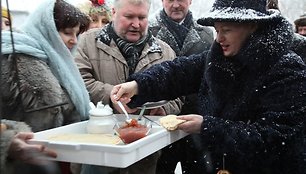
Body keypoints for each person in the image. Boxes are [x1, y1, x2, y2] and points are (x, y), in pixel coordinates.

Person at [110, 0, 306, 173]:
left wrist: (207, 126)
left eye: (226, 30)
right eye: (217, 30)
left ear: (253, 26)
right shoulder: (219, 56)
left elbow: (273, 137)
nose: (219, 38)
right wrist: (138, 85)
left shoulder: (286, 69)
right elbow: (179, 71)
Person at [75, 0, 182, 173]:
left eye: (142, 17)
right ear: (114, 12)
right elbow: (78, 82)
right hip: (97, 153)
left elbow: (178, 95)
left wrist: (164, 108)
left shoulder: (165, 51)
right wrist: (111, 96)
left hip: (145, 157)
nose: (136, 24)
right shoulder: (87, 42)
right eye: (129, 16)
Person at [1, 0, 90, 173]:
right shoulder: (11, 56)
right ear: (46, 29)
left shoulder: (59, 62)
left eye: (76, 34)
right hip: (19, 162)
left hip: (55, 156)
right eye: (67, 33)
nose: (74, 40)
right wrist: (9, 140)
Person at [149, 0, 214, 173]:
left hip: (196, 121)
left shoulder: (207, 33)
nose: (176, 5)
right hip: (161, 120)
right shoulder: (148, 32)